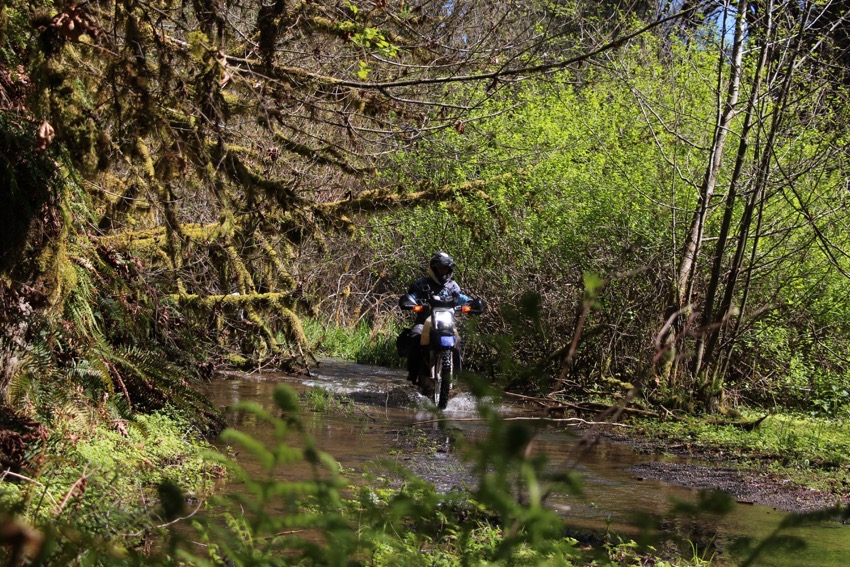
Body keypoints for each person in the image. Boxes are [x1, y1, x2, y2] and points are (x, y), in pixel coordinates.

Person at [399, 251, 470, 384]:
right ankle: (413, 373)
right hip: (424, 321)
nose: (443, 271)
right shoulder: (422, 284)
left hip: (447, 322)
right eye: (440, 268)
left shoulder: (453, 286)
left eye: (445, 269)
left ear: (449, 270)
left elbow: (461, 297)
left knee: (458, 340)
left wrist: (471, 303)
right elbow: (412, 296)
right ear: (433, 268)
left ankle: (456, 376)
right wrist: (410, 302)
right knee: (415, 335)